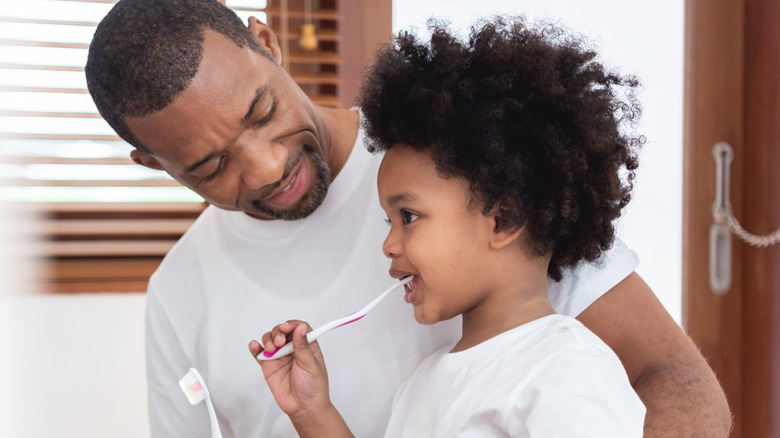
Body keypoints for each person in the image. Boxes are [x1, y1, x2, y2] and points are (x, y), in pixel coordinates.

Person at [84, 0, 730, 437]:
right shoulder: (178, 296)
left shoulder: (462, 163)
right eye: (209, 165)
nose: (266, 168)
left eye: (260, 113)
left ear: (267, 41)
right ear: (151, 162)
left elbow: (673, 377)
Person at [253, 16, 647, 437]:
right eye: (390, 221)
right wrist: (313, 412)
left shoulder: (567, 368)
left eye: (408, 217)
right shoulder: (423, 385)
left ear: (505, 219)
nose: (388, 245)